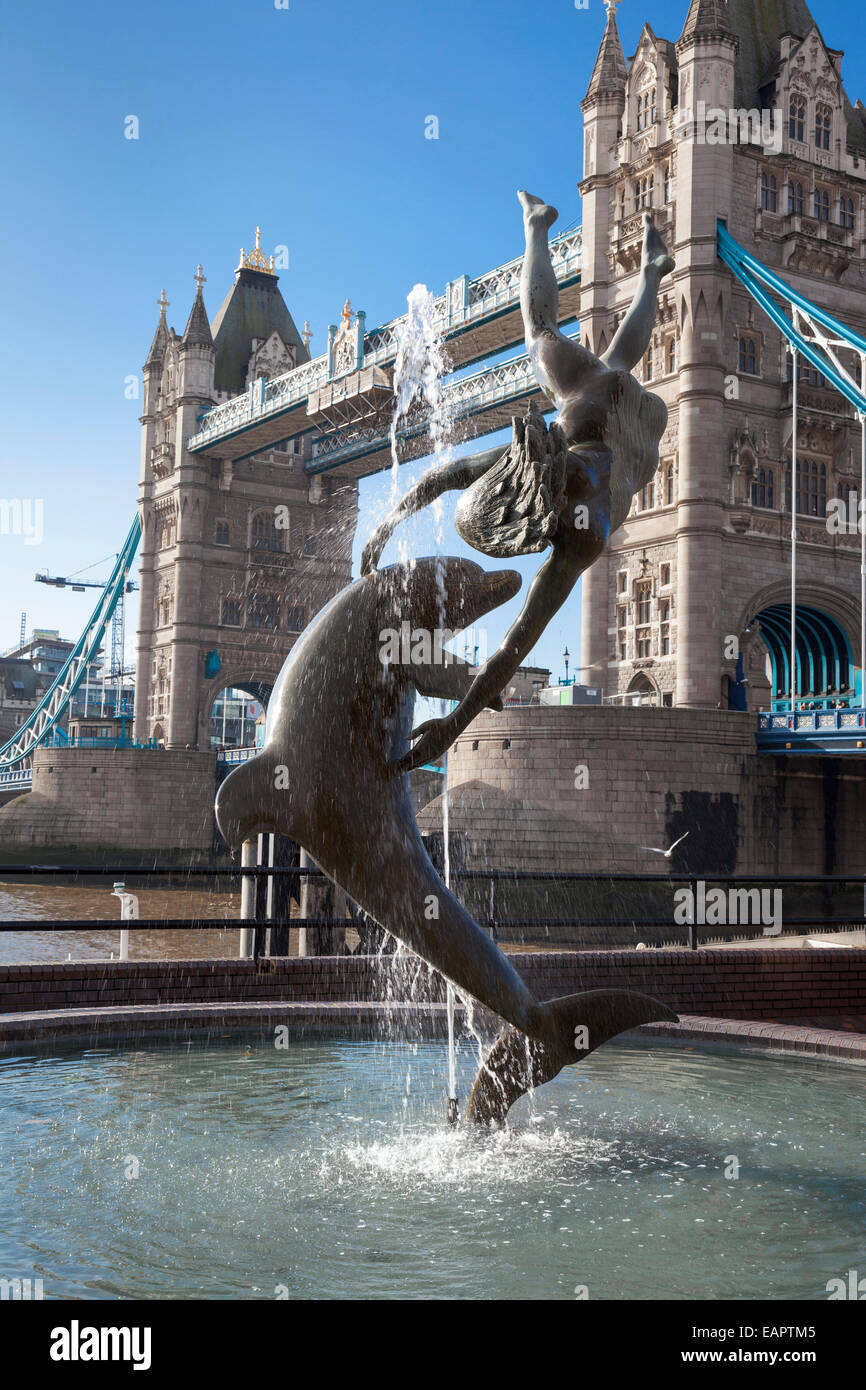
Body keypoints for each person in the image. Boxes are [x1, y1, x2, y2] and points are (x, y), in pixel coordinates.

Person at [363, 190, 675, 771]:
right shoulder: (547, 458)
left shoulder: (584, 536)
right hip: (599, 413)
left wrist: (454, 726)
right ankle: (538, 226)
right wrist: (386, 525)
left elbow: (511, 647)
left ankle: (645, 268)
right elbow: (451, 475)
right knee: (546, 334)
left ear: (527, 534)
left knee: (586, 349)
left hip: (633, 427)